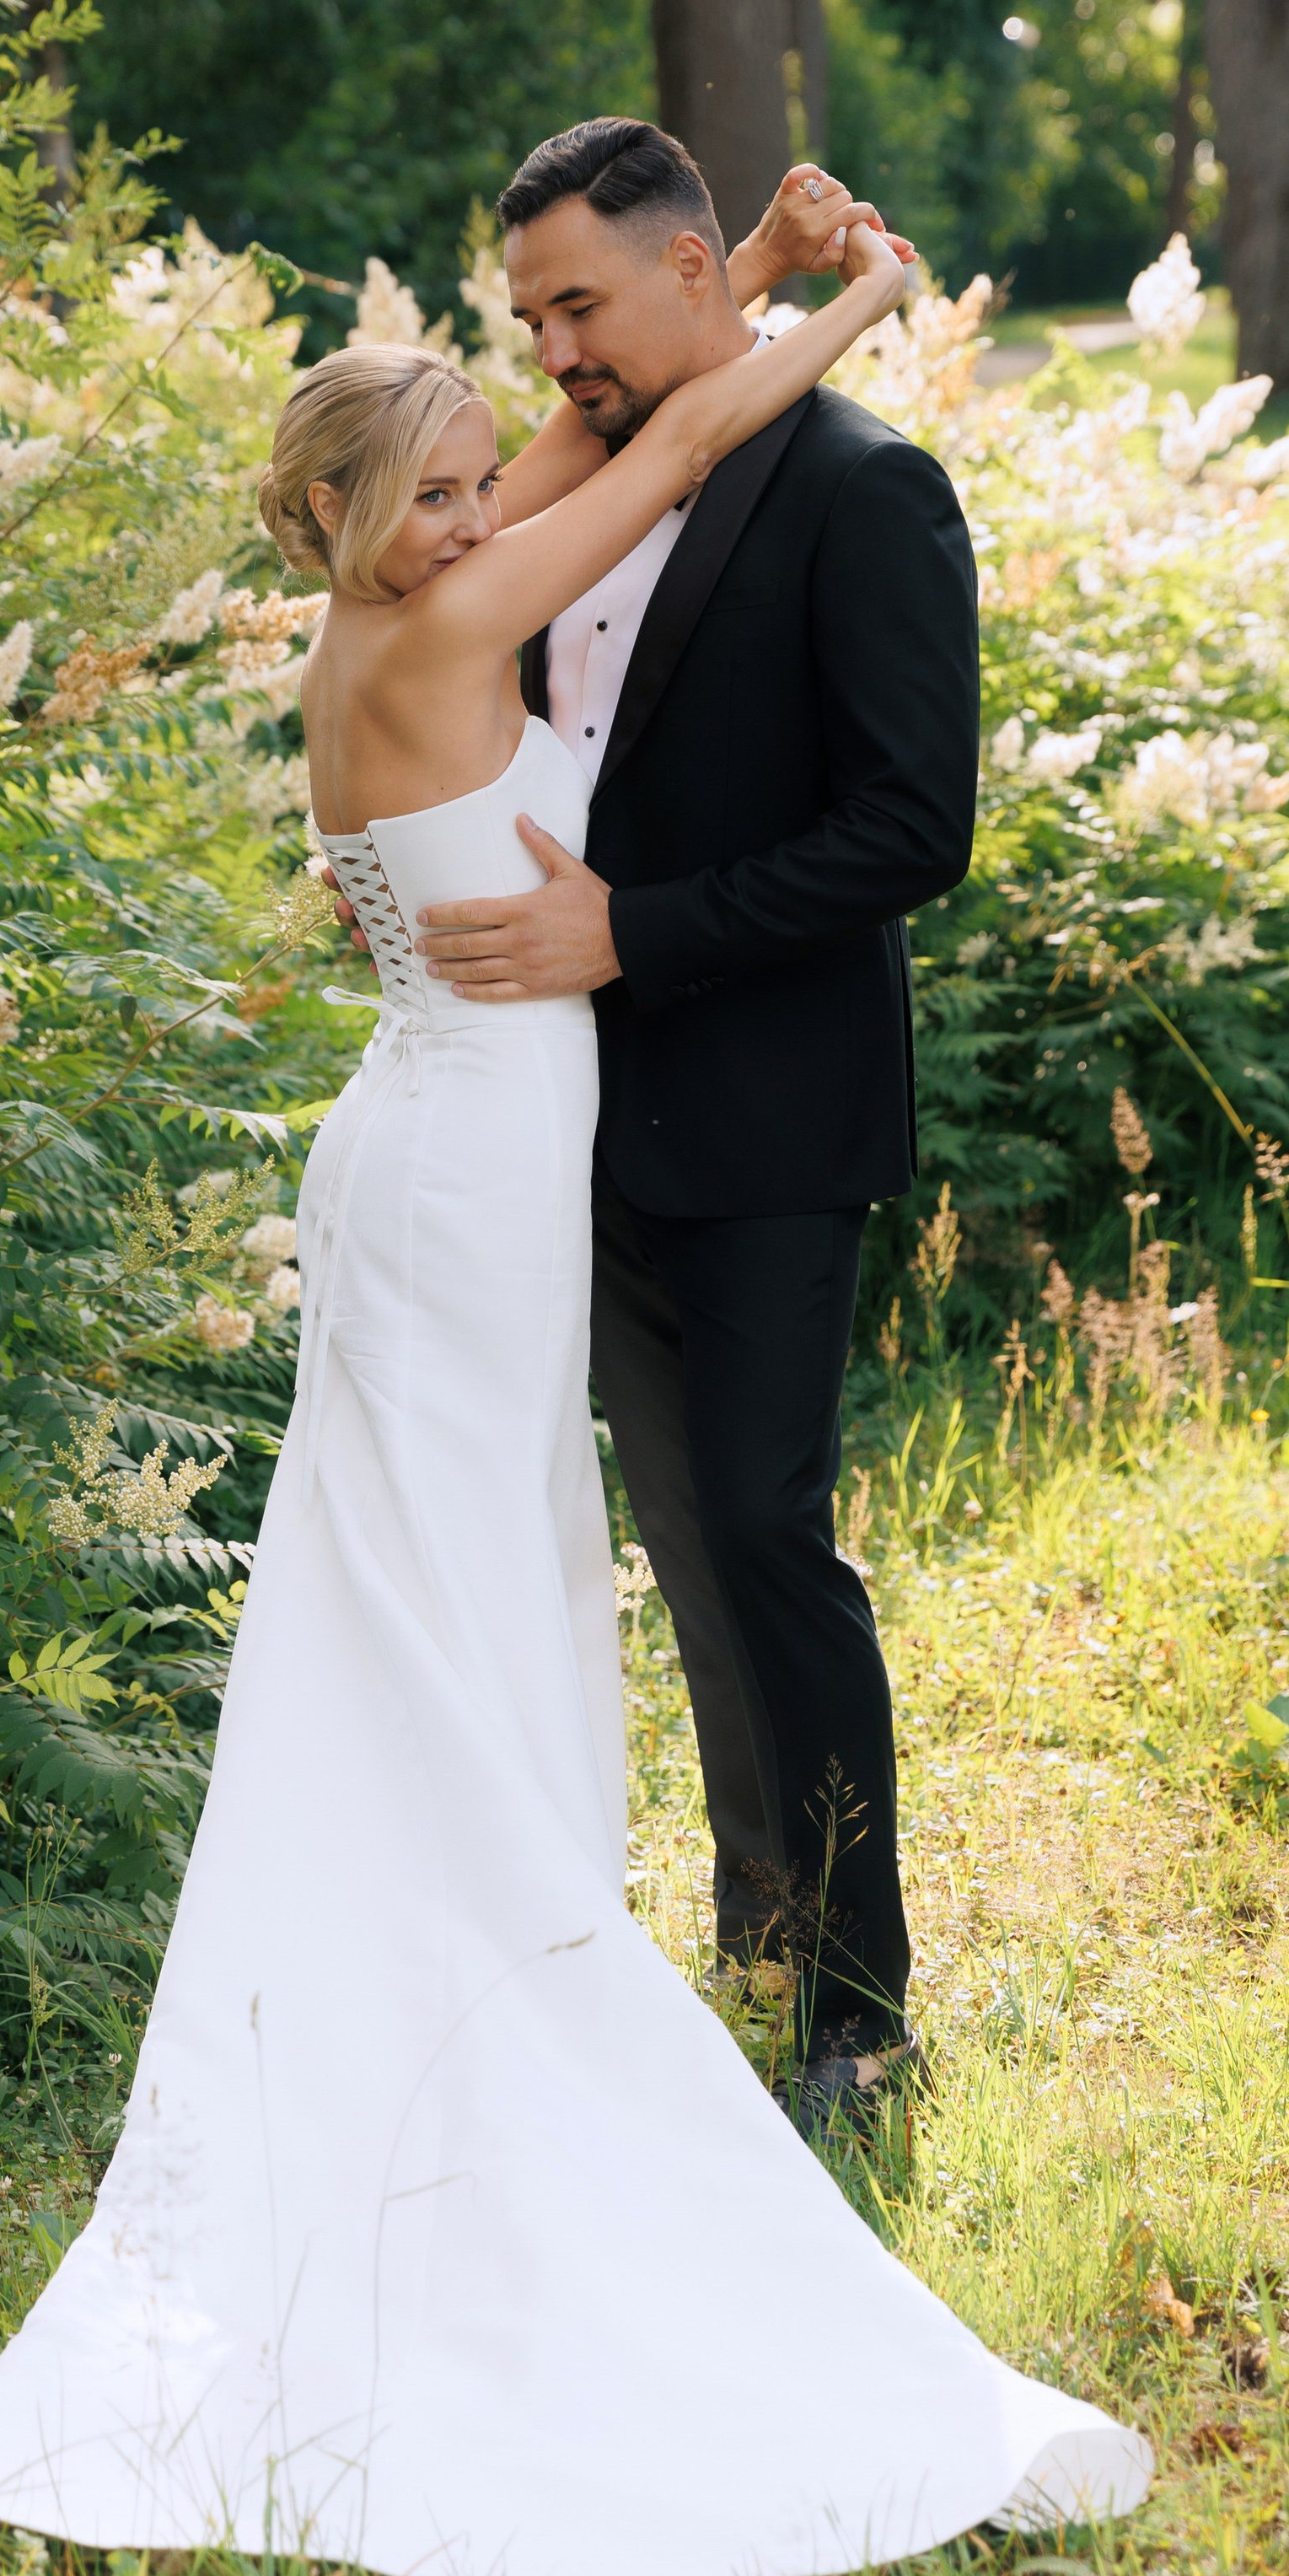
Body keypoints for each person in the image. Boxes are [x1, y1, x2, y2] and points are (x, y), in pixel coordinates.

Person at [0, 170, 1151, 2576]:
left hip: (435, 1154)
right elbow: (660, 462)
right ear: (366, 521)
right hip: (473, 1173)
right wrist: (860, 291)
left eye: (495, 449)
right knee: (469, 1586)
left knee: (450, 1584)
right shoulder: (458, 610)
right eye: (446, 477)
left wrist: (719, 301)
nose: (492, 487)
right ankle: (522, 1992)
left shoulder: (381, 619)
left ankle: (585, 1959)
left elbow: (605, 460)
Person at [407, 121, 980, 2126]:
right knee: (682, 1546)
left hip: (759, 1114)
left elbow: (915, 831)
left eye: (576, 302)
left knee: (763, 1537)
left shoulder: (861, 489)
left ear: (685, 274)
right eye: (529, 311)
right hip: (568, 1124)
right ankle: (758, 1933)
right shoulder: (570, 482)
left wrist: (620, 936)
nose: (549, 345)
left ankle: (856, 2013)